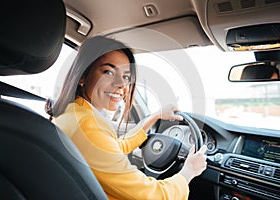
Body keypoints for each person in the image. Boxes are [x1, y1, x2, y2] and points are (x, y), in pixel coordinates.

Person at [47, 35, 207, 200]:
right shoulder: (88, 127)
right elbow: (153, 196)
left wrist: (154, 117)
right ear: (82, 75)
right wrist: (189, 171)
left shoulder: (73, 113)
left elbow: (113, 148)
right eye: (108, 72)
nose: (121, 84)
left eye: (126, 77)